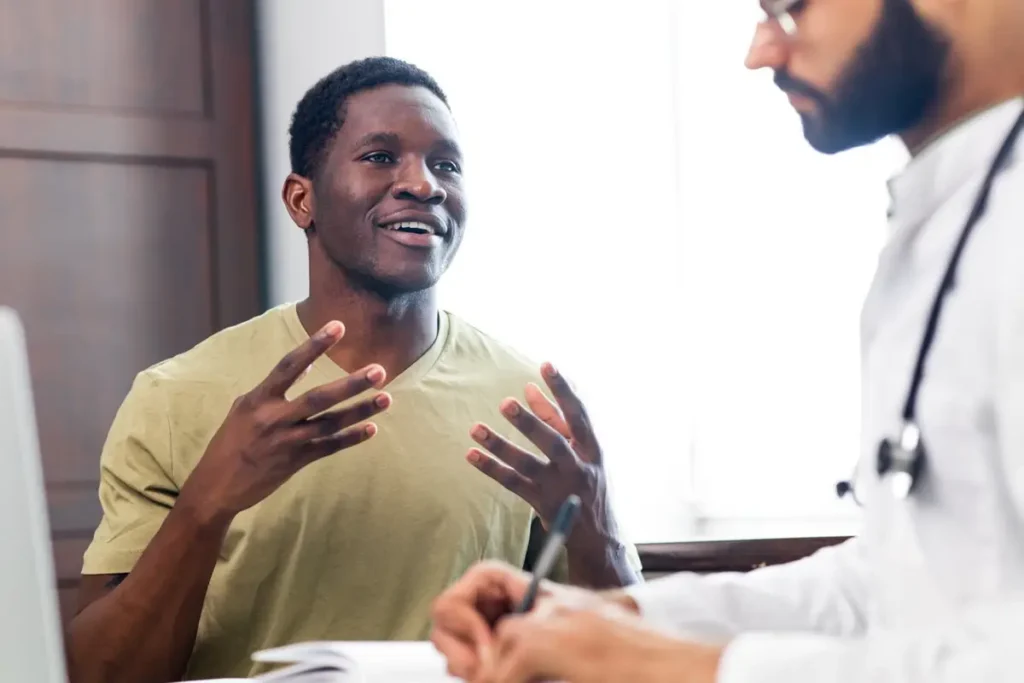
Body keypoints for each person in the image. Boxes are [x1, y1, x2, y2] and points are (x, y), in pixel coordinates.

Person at [429, 0, 1024, 681]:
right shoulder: (946, 222)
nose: (760, 52)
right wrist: (612, 618)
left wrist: (684, 666)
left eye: (791, 8)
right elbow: (893, 583)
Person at [66, 57, 641, 683]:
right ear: (301, 199)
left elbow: (634, 656)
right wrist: (207, 505)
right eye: (380, 157)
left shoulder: (525, 403)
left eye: (446, 164)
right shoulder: (175, 397)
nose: (424, 184)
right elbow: (99, 672)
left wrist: (600, 527)